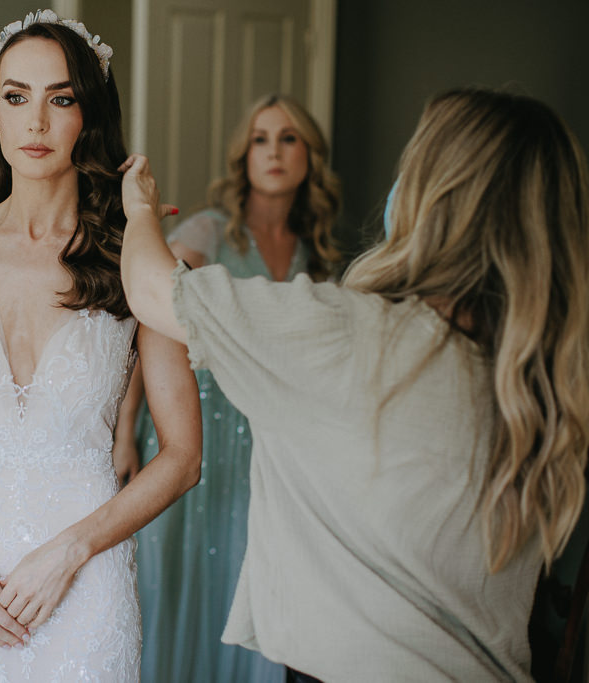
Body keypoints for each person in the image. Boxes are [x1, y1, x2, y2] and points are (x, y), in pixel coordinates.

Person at [118, 86, 589, 681]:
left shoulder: (348, 331)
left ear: (431, 196)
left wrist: (138, 214)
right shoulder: (545, 378)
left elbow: (152, 290)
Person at [0, 9, 201, 681]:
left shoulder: (134, 264)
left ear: (90, 116)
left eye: (61, 99)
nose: (36, 122)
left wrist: (71, 551)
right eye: (16, 97)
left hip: (84, 576)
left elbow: (184, 456)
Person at [112, 93, 341, 683]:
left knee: (248, 572)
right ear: (243, 157)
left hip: (266, 441)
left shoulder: (319, 254)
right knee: (179, 573)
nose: (274, 152)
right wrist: (125, 432)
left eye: (289, 138)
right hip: (194, 423)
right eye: (261, 139)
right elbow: (151, 320)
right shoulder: (208, 232)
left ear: (309, 156)